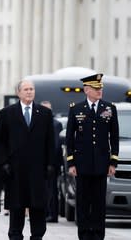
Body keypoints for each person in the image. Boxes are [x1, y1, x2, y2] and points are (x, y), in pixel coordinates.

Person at [0, 80, 55, 240]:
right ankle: (15, 236)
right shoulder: (7, 113)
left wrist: (50, 164)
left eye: (32, 89)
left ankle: (37, 236)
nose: (29, 92)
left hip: (38, 170)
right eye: (26, 89)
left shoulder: (44, 113)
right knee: (17, 208)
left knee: (38, 207)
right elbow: (1, 142)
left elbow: (50, 141)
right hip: (15, 171)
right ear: (19, 93)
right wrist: (4, 164)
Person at [66, 73, 119, 240]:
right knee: (82, 202)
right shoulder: (76, 109)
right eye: (96, 88)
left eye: (101, 88)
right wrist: (71, 162)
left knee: (98, 203)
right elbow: (69, 138)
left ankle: (97, 234)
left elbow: (114, 137)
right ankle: (84, 234)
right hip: (82, 165)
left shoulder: (109, 108)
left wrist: (113, 162)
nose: (100, 91)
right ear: (86, 90)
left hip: (102, 165)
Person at [40, 101, 63, 223]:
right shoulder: (39, 123)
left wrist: (51, 163)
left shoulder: (56, 124)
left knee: (52, 190)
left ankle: (53, 215)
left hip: (52, 164)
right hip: (40, 163)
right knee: (43, 190)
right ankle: (44, 213)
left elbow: (55, 145)